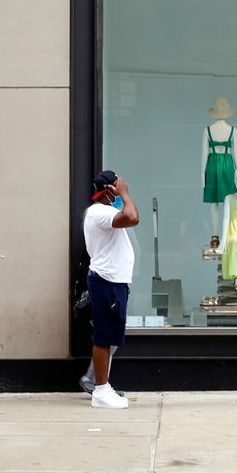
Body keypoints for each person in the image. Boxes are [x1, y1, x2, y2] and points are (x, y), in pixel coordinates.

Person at [83, 170, 139, 408]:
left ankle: (99, 382)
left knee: (111, 337)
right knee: (104, 337)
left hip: (113, 281)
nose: (122, 188)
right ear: (108, 191)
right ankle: (100, 390)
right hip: (106, 281)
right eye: (117, 186)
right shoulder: (99, 212)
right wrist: (125, 196)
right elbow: (133, 217)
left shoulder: (104, 212)